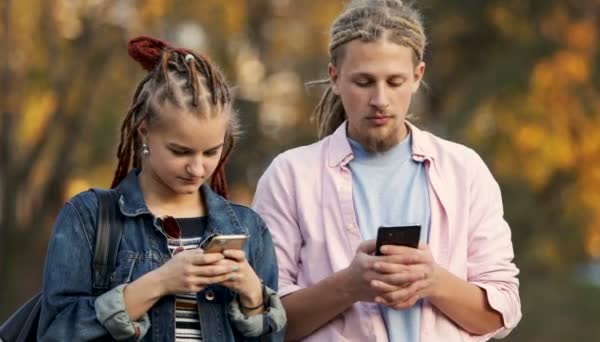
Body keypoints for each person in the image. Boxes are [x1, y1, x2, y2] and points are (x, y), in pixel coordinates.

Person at [252, 0, 521, 341]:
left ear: (417, 76)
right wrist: (348, 286)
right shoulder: (289, 176)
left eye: (395, 82)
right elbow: (262, 323)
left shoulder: (464, 170)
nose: (380, 98)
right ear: (335, 77)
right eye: (364, 82)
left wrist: (433, 280)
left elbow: (501, 312)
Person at [37, 36, 286, 341]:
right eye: (180, 152)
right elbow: (55, 332)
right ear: (145, 131)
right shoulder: (89, 217)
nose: (197, 168)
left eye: (211, 152)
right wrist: (159, 283)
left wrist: (253, 297)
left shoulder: (249, 227)